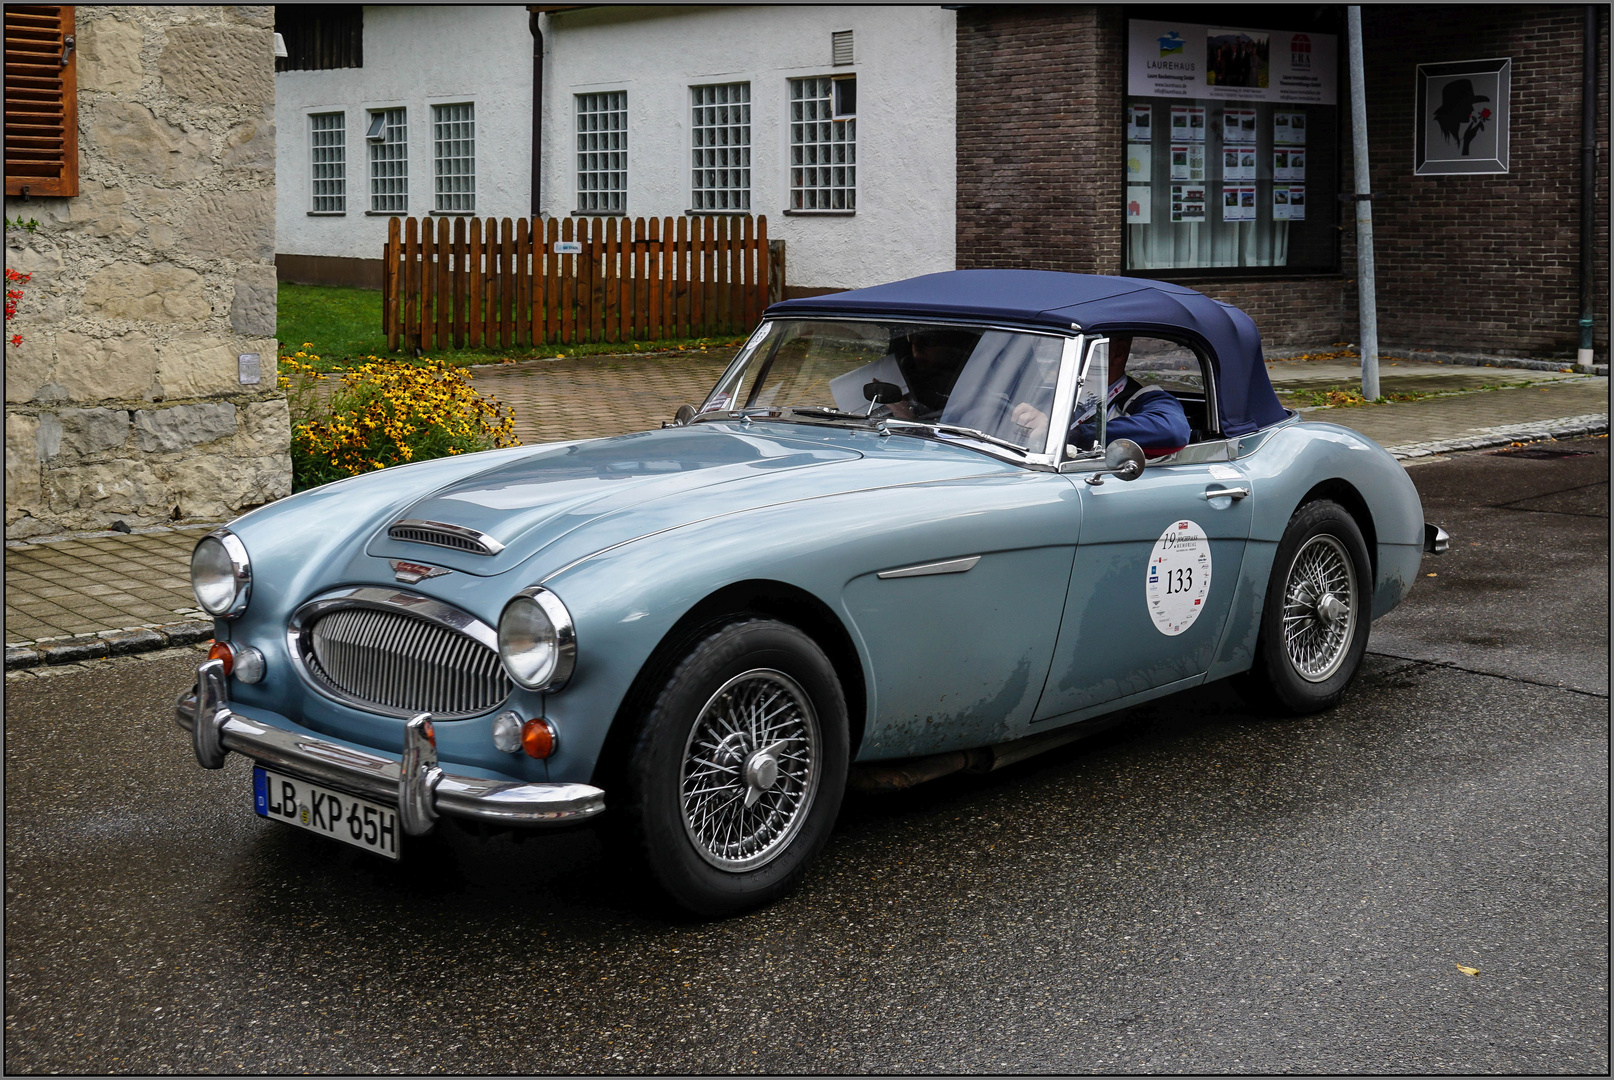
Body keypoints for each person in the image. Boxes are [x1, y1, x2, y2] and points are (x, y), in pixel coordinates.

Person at [1009, 336, 1191, 455]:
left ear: (1117, 354)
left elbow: (1172, 430)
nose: (1061, 356)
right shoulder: (1051, 394)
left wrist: (1066, 434)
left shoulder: (1143, 400)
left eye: (1078, 347)